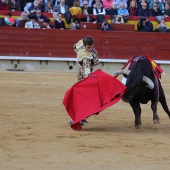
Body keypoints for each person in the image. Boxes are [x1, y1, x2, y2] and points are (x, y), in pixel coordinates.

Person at [69, 36, 99, 125]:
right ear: (85, 45)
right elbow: (86, 68)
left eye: (91, 47)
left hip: (83, 73)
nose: (90, 49)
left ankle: (82, 117)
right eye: (88, 47)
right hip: (84, 76)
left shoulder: (80, 46)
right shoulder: (85, 55)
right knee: (82, 97)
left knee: (84, 97)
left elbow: (74, 46)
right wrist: (88, 78)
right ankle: (74, 118)